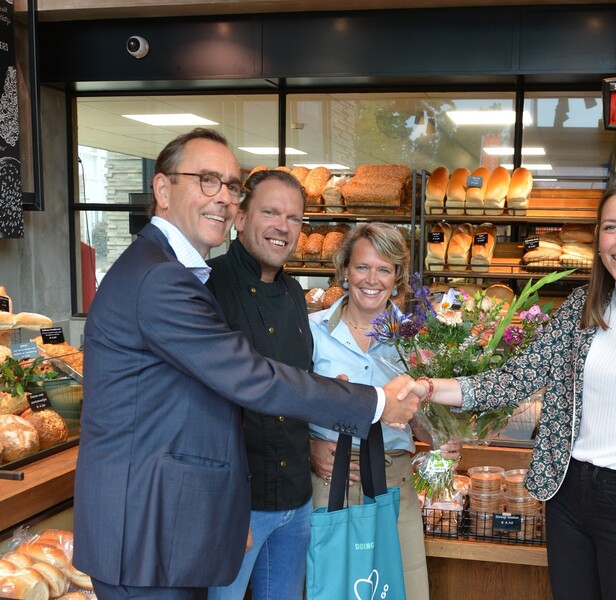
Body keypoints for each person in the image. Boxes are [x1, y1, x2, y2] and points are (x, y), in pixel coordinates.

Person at [73, 128, 420, 600]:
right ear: (162, 189)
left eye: (230, 186)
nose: (222, 198)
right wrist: (374, 402)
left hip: (184, 518)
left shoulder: (178, 273)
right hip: (149, 529)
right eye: (207, 181)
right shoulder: (162, 279)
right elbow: (251, 380)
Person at [400, 175, 616, 600]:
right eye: (611, 226)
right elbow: (515, 378)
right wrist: (427, 387)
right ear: (599, 237)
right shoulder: (581, 308)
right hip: (568, 494)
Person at [307, 222, 430, 600]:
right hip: (327, 483)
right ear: (344, 270)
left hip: (395, 482)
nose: (371, 279)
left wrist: (446, 436)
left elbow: (429, 426)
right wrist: (305, 447)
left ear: (397, 278)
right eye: (362, 267)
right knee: (330, 588)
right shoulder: (311, 331)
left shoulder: (418, 338)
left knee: (400, 590)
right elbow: (280, 404)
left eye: (384, 269)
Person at [205, 169, 313, 600]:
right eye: (270, 212)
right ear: (241, 217)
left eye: (294, 218)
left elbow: (301, 386)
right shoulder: (206, 286)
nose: (282, 227)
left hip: (296, 498)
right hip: (237, 504)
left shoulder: (296, 294)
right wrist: (226, 505)